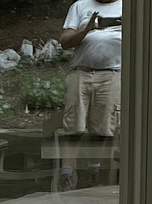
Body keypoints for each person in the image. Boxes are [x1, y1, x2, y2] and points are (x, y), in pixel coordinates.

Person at [59, 0, 122, 188]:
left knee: (103, 127)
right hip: (81, 71)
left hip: (112, 73)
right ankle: (66, 175)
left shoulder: (128, 6)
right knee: (73, 126)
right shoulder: (80, 5)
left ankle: (95, 175)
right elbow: (65, 42)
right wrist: (87, 29)